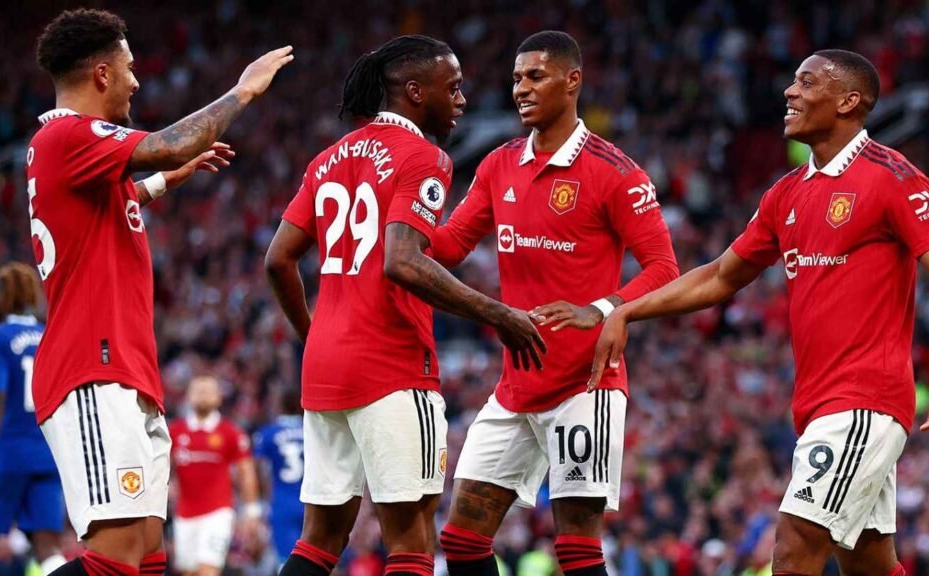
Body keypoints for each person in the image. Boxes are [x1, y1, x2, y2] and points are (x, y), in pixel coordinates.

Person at [588, 50, 929, 576]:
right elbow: (720, 275)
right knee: (869, 563)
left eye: (806, 82)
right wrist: (626, 311)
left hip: (863, 401)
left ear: (848, 101)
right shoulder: (786, 193)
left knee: (794, 547)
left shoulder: (891, 176)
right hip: (819, 406)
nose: (789, 92)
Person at [265, 35, 545, 576]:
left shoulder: (327, 159)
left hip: (325, 367)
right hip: (391, 365)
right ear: (416, 92)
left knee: (319, 539)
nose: (461, 100)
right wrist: (498, 314)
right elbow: (402, 260)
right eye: (453, 88)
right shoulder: (424, 157)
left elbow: (278, 259)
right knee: (411, 538)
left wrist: (312, 332)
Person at [27, 9, 291, 576]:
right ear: (101, 74)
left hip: (126, 370)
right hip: (91, 368)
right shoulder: (68, 134)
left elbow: (105, 210)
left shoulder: (73, 153)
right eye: (128, 68)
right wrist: (243, 92)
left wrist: (161, 183)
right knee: (114, 558)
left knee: (148, 555)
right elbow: (171, 143)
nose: (137, 81)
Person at [430, 31, 679, 576]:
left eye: (535, 76)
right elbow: (448, 245)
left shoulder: (616, 172)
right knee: (462, 540)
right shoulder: (498, 165)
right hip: (516, 388)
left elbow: (665, 268)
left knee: (575, 549)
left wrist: (603, 308)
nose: (520, 88)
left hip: (584, 387)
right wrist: (399, 218)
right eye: (516, 78)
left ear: (572, 81)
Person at [0, 263, 66, 576]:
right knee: (48, 548)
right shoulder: (51, 336)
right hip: (48, 455)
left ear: (1, 297)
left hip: (8, 454)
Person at [169, 375, 261, 576]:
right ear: (187, 396)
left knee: (208, 569)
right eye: (198, 390)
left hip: (218, 513)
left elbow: (246, 471)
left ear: (219, 397)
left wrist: (252, 511)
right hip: (184, 513)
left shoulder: (231, 433)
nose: (202, 394)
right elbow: (163, 469)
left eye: (208, 390)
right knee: (188, 572)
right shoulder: (174, 432)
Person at [253, 389, 307, 563]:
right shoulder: (313, 431)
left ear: (279, 406)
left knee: (287, 560)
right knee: (316, 559)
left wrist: (265, 496)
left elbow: (260, 467)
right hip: (312, 500)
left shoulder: (268, 433)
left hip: (282, 501)